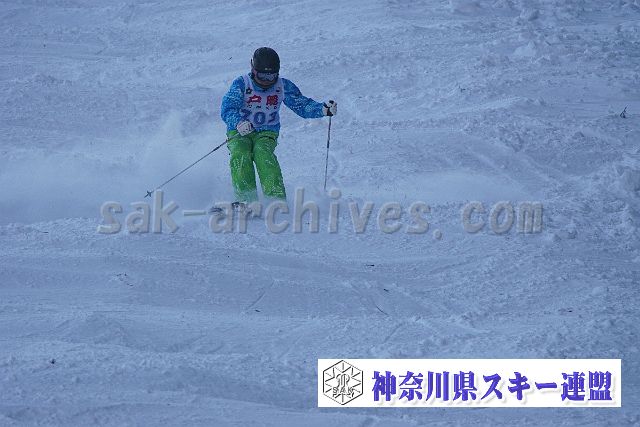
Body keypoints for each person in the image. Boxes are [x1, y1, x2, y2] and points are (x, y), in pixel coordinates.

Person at [220, 47, 337, 206]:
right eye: (262, 75)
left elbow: (301, 105)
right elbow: (228, 108)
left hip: (267, 131)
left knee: (263, 154)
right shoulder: (242, 84)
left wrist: (322, 109)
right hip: (240, 130)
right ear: (253, 69)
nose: (267, 80)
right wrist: (238, 122)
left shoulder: (282, 86)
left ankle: (275, 200)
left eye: (271, 76)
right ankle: (246, 200)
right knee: (240, 153)